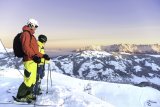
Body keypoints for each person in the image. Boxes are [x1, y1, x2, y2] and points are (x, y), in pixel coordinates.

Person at [16, 18, 50, 102]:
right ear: (31, 25)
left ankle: (28, 94)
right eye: (35, 26)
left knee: (33, 80)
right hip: (29, 60)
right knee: (28, 80)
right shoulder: (26, 34)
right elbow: (25, 48)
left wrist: (43, 55)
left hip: (33, 61)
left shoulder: (31, 36)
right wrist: (34, 56)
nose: (36, 28)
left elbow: (35, 51)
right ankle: (19, 97)